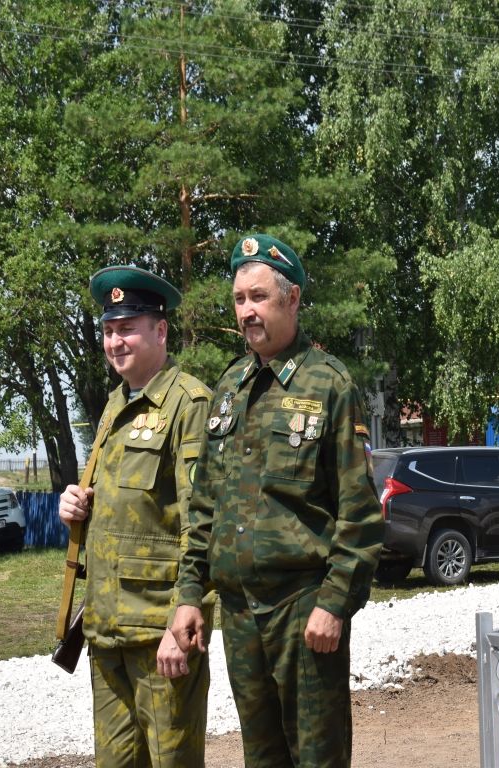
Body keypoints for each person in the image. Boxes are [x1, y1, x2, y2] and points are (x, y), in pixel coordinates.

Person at [169, 234, 384, 768]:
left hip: (302, 612)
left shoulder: (328, 383)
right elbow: (205, 505)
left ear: (292, 299)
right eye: (240, 299)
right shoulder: (230, 388)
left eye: (259, 297)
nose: (247, 311)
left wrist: (335, 603)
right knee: (260, 758)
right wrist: (190, 593)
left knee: (316, 758)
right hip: (240, 616)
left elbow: (359, 513)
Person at [58, 266, 212, 768]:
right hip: (107, 632)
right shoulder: (112, 408)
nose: (114, 342)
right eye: (107, 331)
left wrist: (182, 626)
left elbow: (203, 525)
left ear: (160, 331)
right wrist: (78, 507)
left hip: (159, 637)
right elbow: (127, 505)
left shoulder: (188, 404)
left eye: (126, 328)